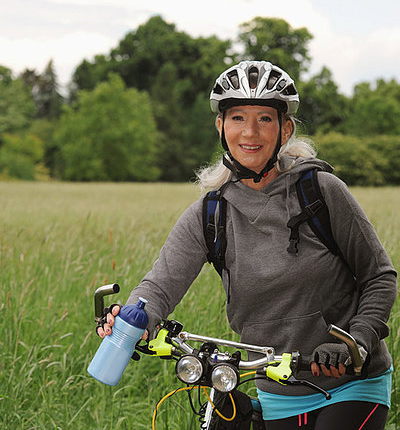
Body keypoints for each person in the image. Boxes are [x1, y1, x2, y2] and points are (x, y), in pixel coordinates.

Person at [98, 60, 397, 429]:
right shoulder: (209, 215)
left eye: (264, 119)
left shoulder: (321, 193)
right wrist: (134, 318)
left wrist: (357, 341)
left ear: (285, 129)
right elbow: (159, 285)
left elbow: (380, 277)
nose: (250, 132)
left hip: (352, 384)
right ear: (221, 125)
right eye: (238, 117)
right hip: (277, 391)